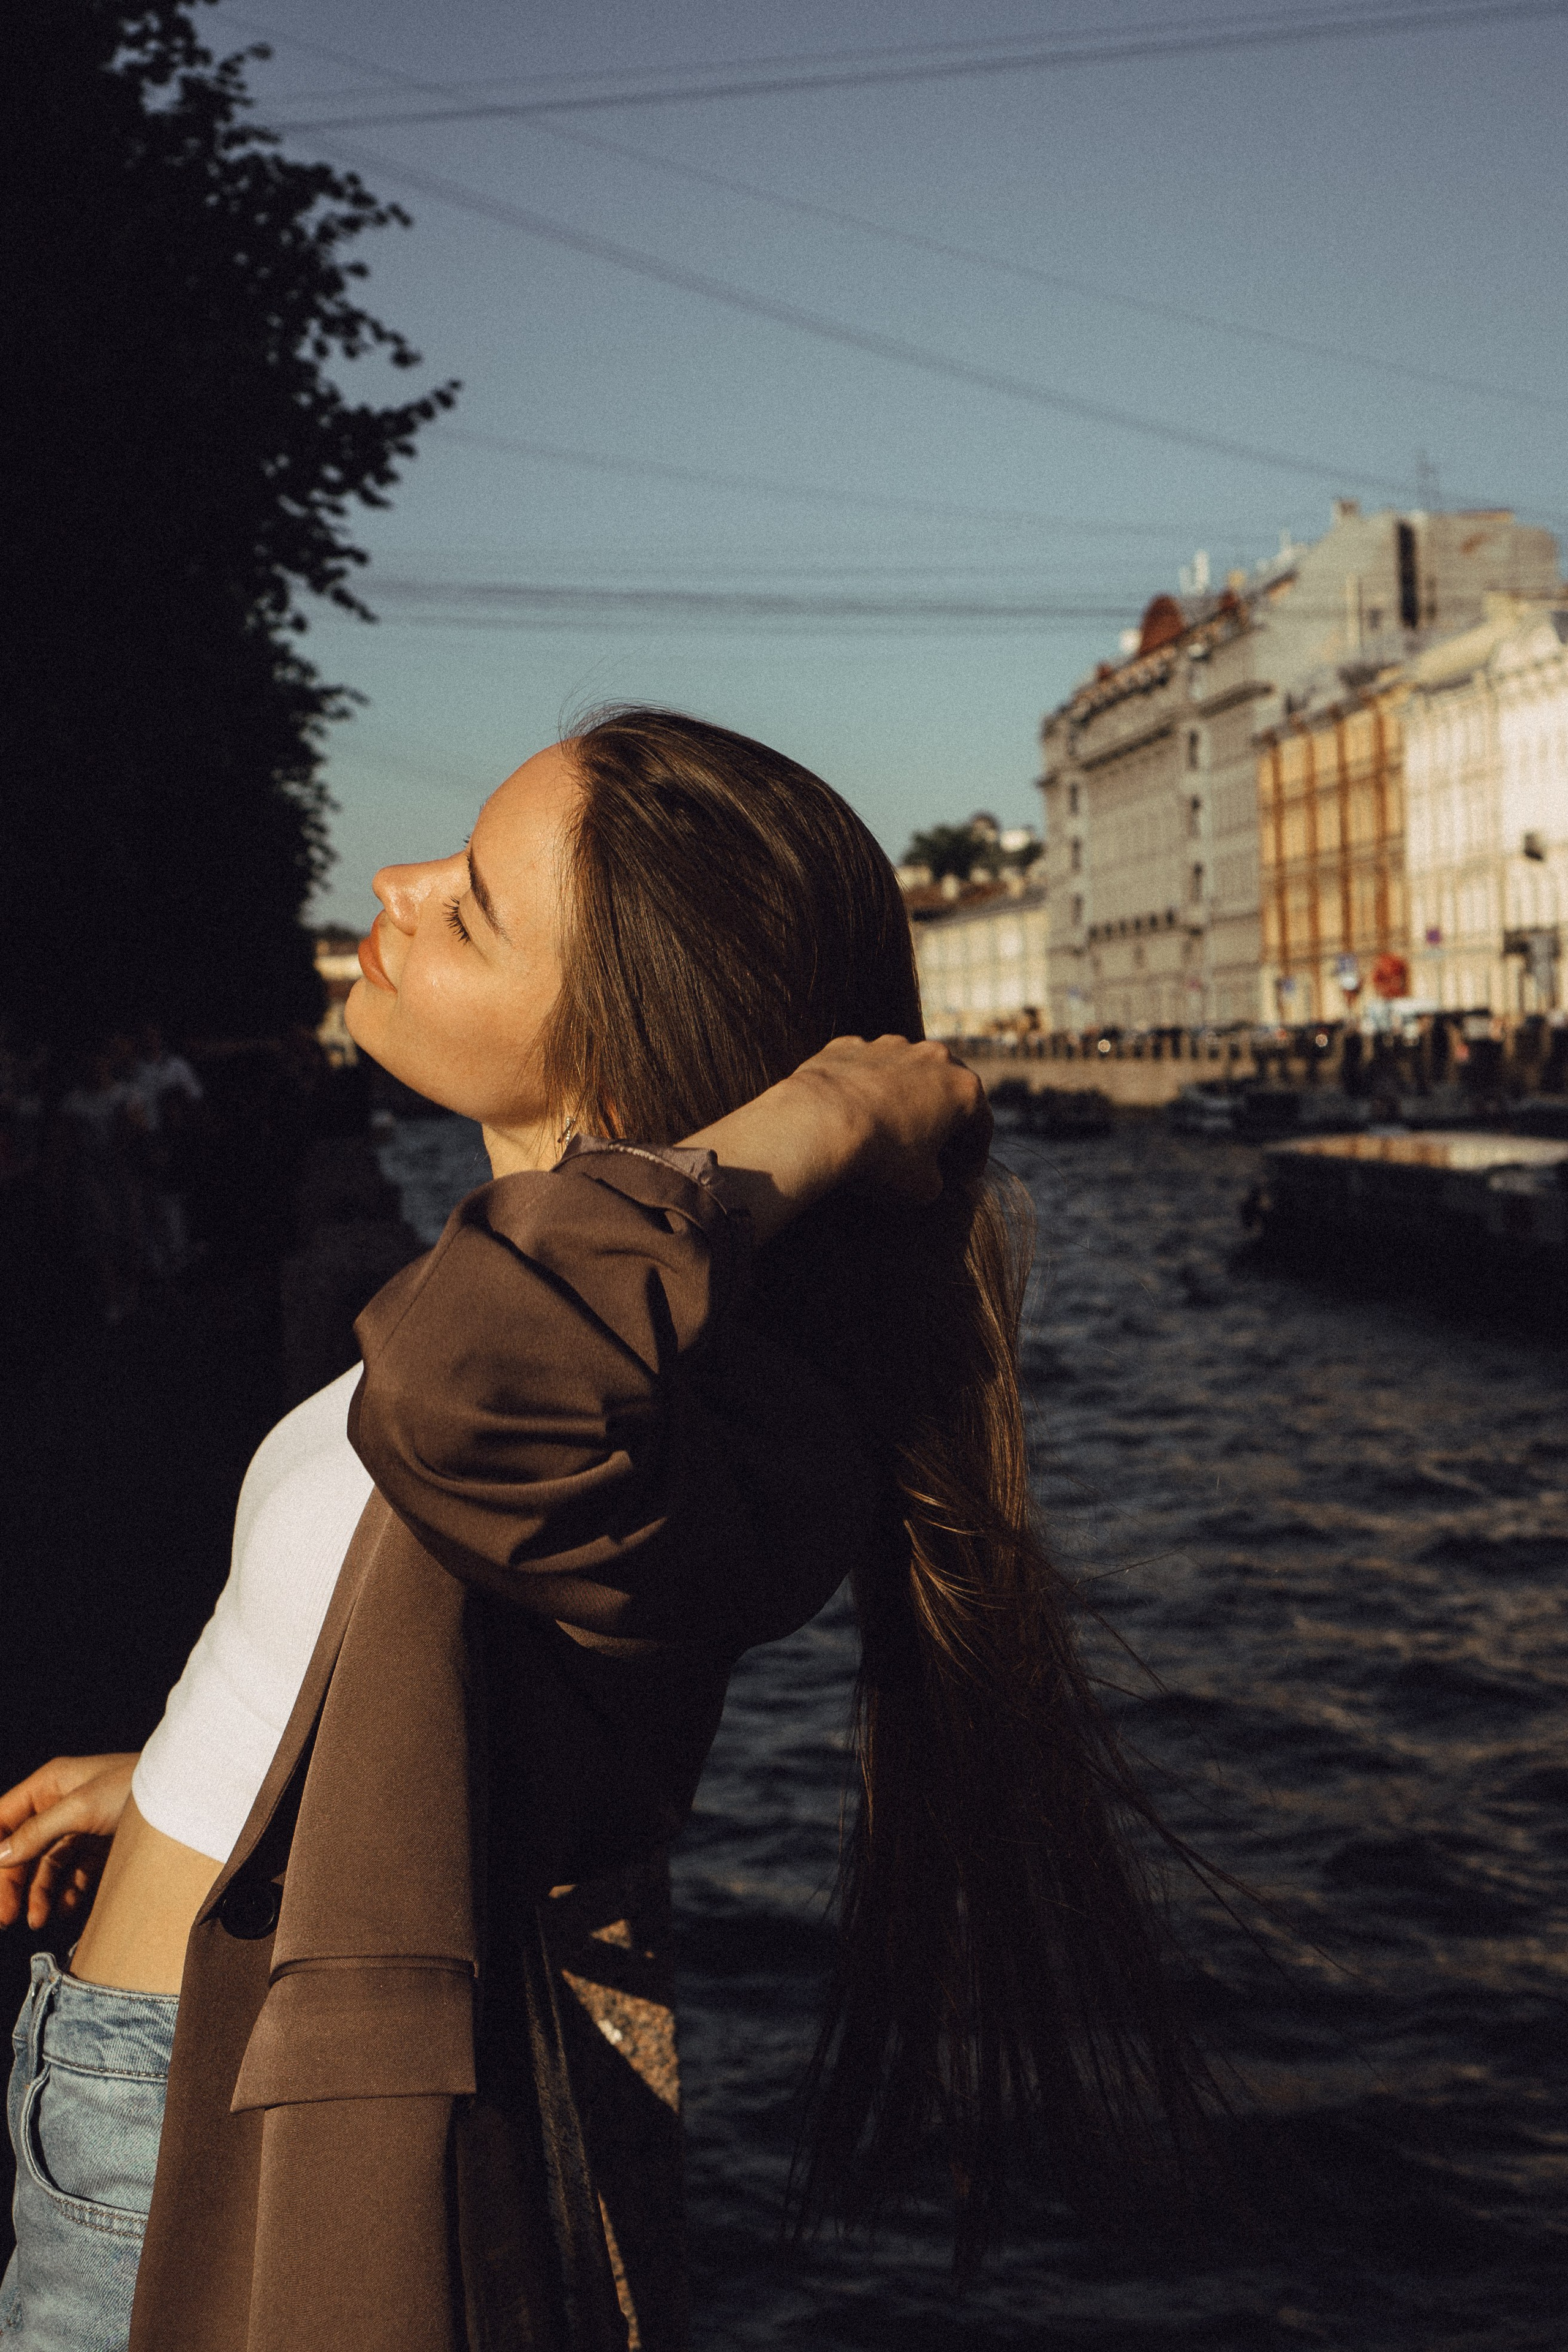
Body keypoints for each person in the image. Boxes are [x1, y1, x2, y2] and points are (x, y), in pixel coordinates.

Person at [0, 710, 1212, 2352]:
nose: (396, 881)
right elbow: (434, 1647)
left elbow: (468, 1400)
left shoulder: (712, 1406)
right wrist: (180, 1785)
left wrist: (818, 1118)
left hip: (220, 2132)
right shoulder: (553, 1301)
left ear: (627, 1047)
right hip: (133, 2044)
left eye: (476, 907)